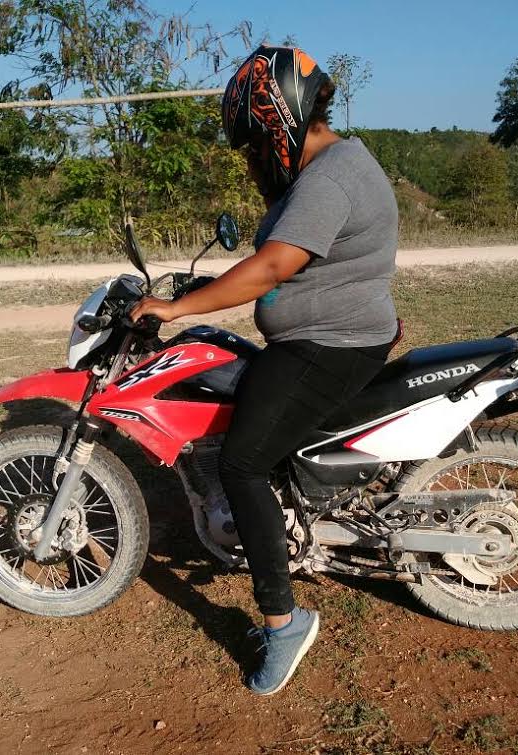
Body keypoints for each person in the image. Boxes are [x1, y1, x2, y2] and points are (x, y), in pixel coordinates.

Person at [131, 45, 398, 695]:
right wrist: (200, 289)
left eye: (253, 145)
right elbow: (279, 259)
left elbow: (274, 266)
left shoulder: (331, 176)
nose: (252, 160)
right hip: (323, 337)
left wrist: (177, 307)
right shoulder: (326, 168)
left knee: (242, 463)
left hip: (328, 345)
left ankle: (282, 622)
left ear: (279, 121)